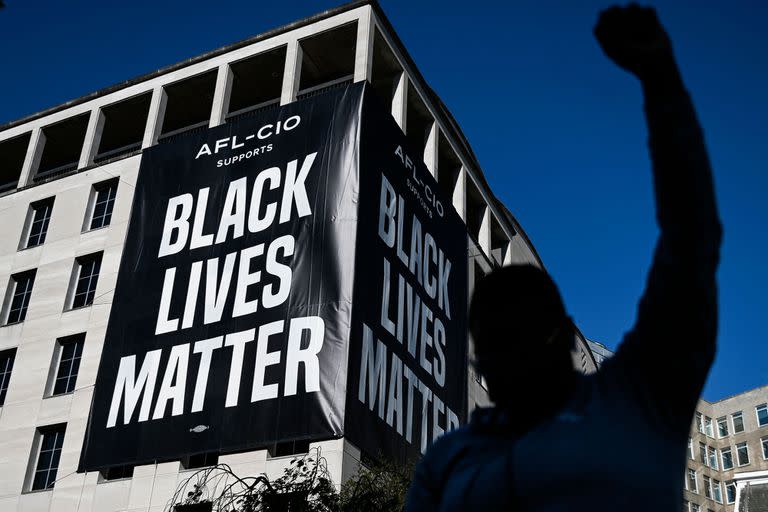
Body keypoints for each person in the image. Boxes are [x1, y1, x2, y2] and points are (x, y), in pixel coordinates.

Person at [405, 4, 722, 511]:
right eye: (495, 345)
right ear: (479, 359)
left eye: (525, 337)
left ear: (565, 336)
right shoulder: (449, 459)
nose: (512, 363)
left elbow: (691, 242)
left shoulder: (636, 400)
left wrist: (662, 82)